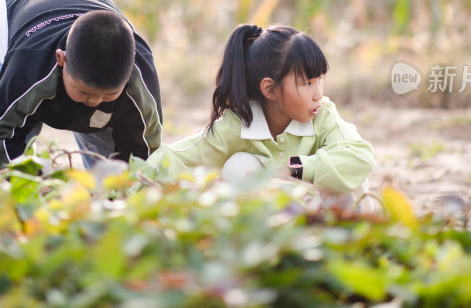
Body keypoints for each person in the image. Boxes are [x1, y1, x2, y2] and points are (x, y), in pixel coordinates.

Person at [146, 24, 373, 200]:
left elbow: (360, 155)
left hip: (325, 219)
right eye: (307, 84)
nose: (318, 93)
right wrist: (128, 190)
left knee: (349, 177)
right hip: (275, 223)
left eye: (319, 80)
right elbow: (176, 158)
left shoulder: (322, 114)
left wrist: (295, 169)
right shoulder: (237, 126)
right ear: (270, 89)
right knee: (238, 166)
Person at [0, 0, 162, 172]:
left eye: (108, 94)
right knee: (13, 151)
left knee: (111, 170)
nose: (95, 101)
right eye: (84, 91)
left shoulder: (140, 74)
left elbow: (145, 153)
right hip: (10, 15)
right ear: (61, 59)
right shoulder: (28, 67)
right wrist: (26, 182)